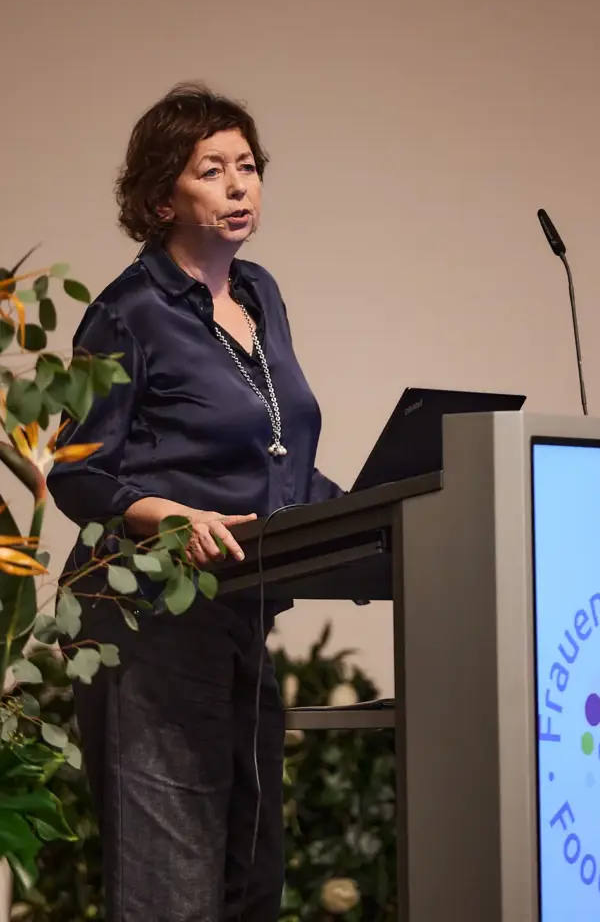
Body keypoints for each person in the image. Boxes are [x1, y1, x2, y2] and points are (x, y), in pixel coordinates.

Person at [47, 82, 344, 922]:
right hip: (146, 619)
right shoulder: (127, 314)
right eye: (210, 170)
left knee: (250, 882)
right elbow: (75, 473)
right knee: (170, 891)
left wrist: (383, 509)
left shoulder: (259, 295)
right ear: (159, 199)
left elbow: (276, 457)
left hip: (242, 608)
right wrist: (169, 516)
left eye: (247, 165)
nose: (238, 185)